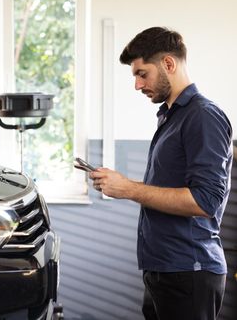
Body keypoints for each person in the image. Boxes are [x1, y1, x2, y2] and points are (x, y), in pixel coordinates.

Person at [90, 27, 233, 320]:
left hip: (189, 272)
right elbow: (170, 189)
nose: (138, 85)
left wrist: (128, 188)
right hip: (164, 269)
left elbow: (205, 202)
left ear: (168, 64)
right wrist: (119, 185)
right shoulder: (172, 116)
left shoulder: (203, 116)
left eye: (142, 73)